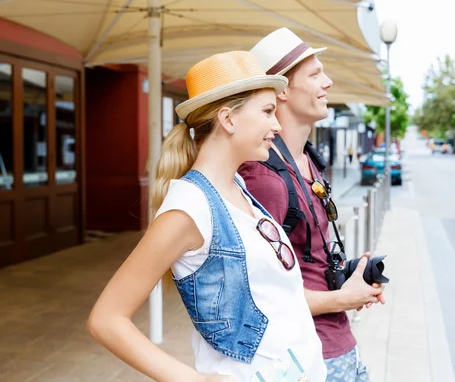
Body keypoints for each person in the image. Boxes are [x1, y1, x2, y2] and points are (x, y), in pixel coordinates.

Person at [87, 51, 327, 382]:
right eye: (268, 112)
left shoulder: (238, 187)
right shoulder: (189, 207)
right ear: (228, 119)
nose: (277, 124)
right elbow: (106, 319)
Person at [238, 28, 385, 382]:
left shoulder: (309, 161)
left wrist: (349, 280)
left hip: (339, 347)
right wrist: (343, 299)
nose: (328, 82)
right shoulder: (264, 178)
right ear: (283, 90)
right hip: (307, 360)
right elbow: (255, 296)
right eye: (316, 74)